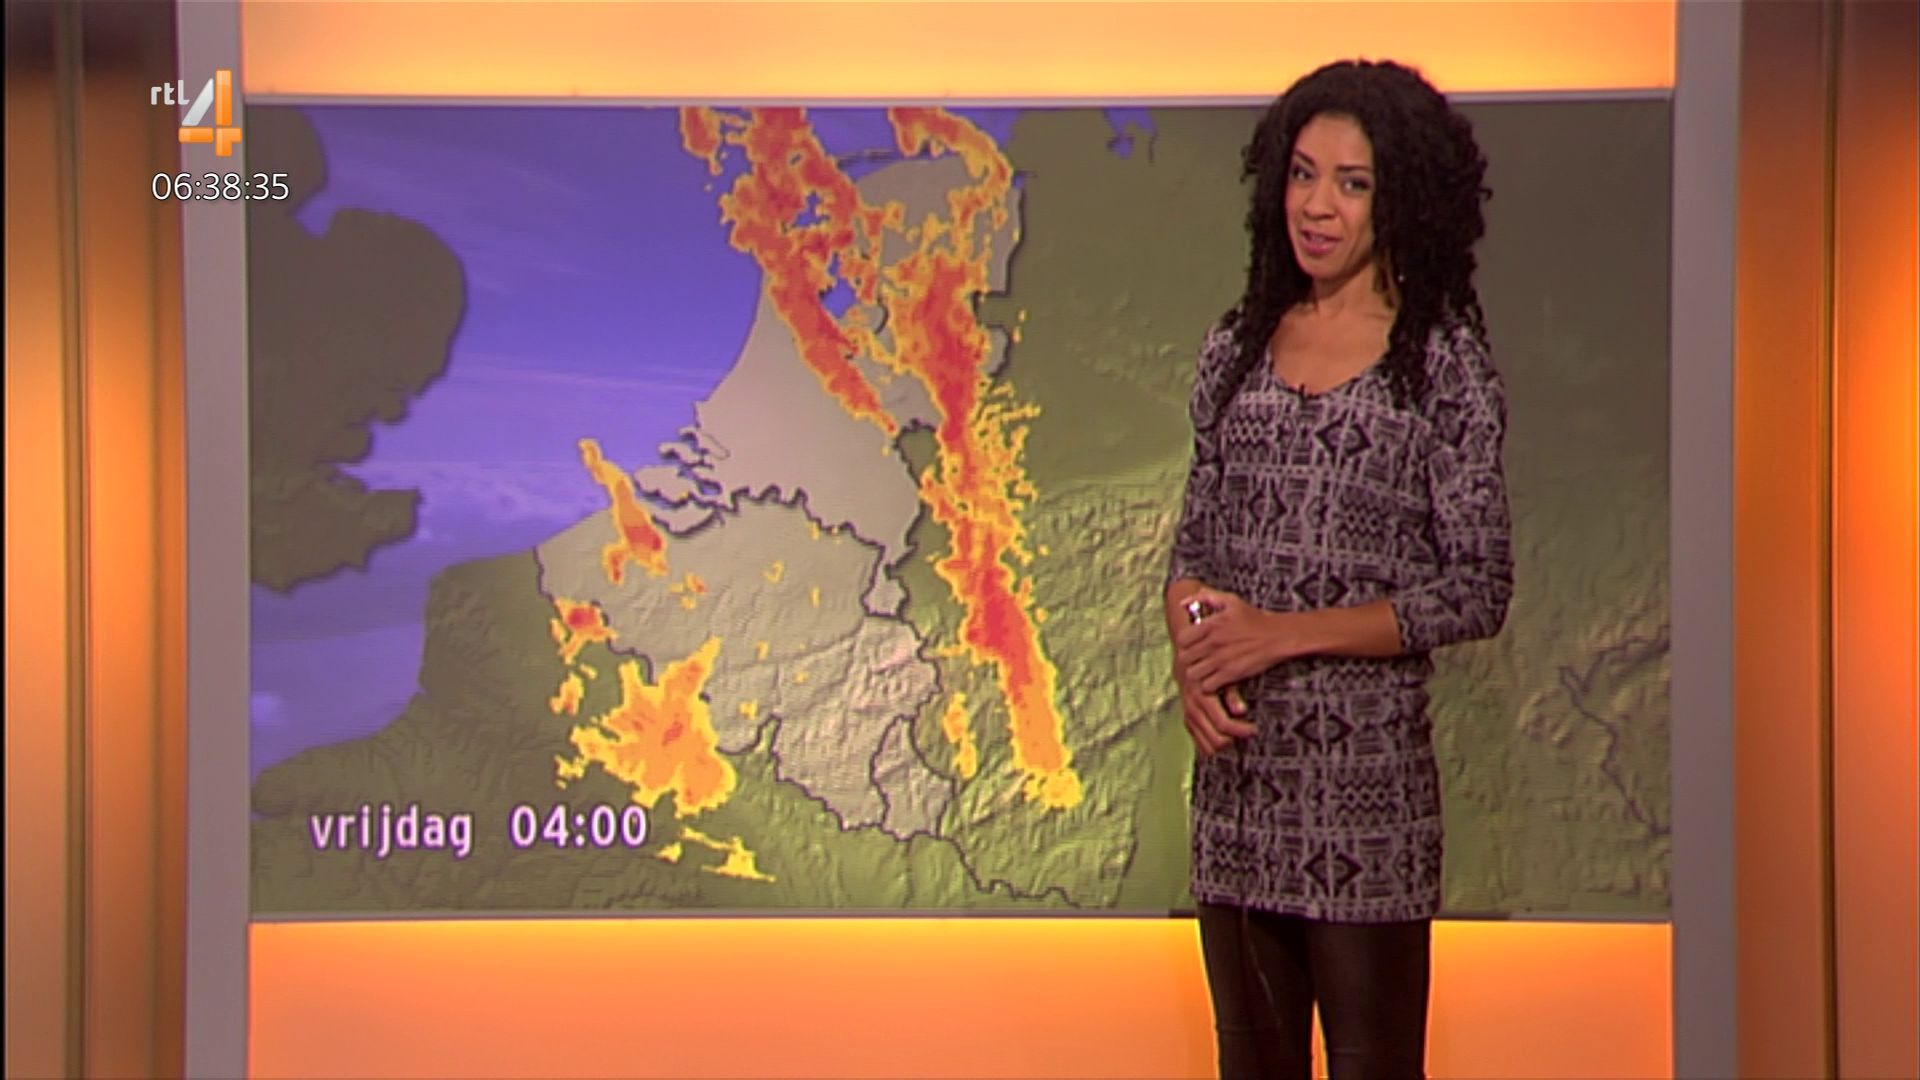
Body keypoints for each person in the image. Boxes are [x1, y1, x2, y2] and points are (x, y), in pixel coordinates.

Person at [1164, 59, 1513, 1080]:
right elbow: (1195, 553)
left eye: (1351, 183)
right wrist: (1198, 658)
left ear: (1399, 198)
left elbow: (1478, 586)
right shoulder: (1236, 349)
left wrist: (1280, 635)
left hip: (1368, 809)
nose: (1317, 207)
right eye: (1304, 175)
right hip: (1237, 801)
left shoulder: (1440, 362)